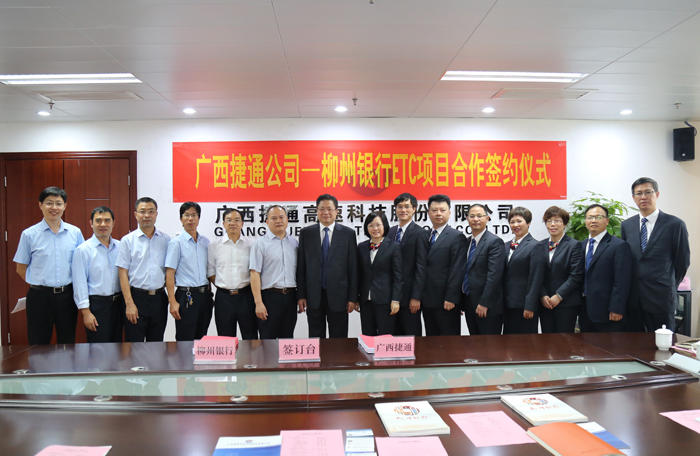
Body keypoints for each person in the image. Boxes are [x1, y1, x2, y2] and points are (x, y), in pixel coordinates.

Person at [14, 186, 84, 345]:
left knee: (67, 342)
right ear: (40, 205)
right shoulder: (29, 234)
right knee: (38, 343)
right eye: (49, 203)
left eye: (58, 203)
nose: (54, 207)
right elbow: (20, 268)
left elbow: (81, 265)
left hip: (67, 296)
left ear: (65, 206)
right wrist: (40, 283)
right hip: (39, 297)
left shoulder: (75, 233)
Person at [621, 177, 690, 332]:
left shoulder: (675, 224)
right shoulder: (627, 225)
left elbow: (682, 261)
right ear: (633, 197)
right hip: (633, 298)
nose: (643, 197)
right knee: (633, 342)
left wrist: (669, 286)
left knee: (663, 342)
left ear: (657, 194)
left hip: (661, 297)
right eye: (639, 193)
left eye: (648, 192)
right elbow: (626, 260)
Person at [297, 194, 358, 338]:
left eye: (329, 209)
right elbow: (301, 267)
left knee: (339, 339)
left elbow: (353, 268)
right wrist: (301, 295)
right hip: (313, 295)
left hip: (340, 295)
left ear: (336, 211)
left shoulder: (348, 234)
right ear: (316, 211)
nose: (326, 212)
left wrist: (352, 297)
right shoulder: (306, 233)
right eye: (322, 209)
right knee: (315, 337)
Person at [116, 197, 171, 342]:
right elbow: (122, 273)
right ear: (136, 214)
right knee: (135, 344)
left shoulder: (166, 240)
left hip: (159, 298)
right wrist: (129, 304)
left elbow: (170, 271)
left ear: (156, 214)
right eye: (142, 211)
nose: (147, 215)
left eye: (151, 211)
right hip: (136, 298)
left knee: (156, 343)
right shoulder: (127, 240)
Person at [72, 206, 123, 343]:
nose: (103, 224)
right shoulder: (83, 250)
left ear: (113, 223)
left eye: (107, 220)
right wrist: (86, 312)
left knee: (118, 346)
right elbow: (79, 283)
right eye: (98, 220)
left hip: (119, 304)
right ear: (91, 223)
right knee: (98, 349)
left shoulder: (120, 247)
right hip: (97, 305)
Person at [579, 204, 632, 333]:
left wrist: (617, 308)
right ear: (585, 221)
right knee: (585, 345)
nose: (594, 221)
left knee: (609, 345)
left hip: (608, 311)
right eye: (590, 217)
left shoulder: (619, 246)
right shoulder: (580, 246)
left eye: (598, 217)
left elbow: (622, 280)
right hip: (583, 310)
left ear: (607, 221)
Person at [165, 202, 212, 341]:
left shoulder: (205, 242)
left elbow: (209, 270)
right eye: (186, 215)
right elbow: (170, 273)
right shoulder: (176, 243)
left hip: (204, 296)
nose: (190, 218)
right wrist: (172, 301)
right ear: (181, 219)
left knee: (202, 337)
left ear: (199, 218)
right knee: (185, 338)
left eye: (194, 215)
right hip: (186, 295)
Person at [250, 205, 298, 339]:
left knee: (287, 339)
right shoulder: (260, 244)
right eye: (274, 218)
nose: (278, 221)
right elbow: (254, 274)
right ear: (267, 221)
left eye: (281, 217)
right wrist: (258, 303)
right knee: (267, 340)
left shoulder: (294, 243)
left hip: (290, 297)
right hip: (269, 298)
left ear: (287, 220)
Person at [207, 208, 256, 339]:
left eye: (236, 220)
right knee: (225, 339)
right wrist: (224, 285)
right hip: (224, 298)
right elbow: (211, 271)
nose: (232, 223)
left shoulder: (252, 245)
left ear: (242, 223)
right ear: (223, 224)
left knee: (250, 337)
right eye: (229, 220)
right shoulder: (214, 246)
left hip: (246, 296)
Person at [422, 194, 467, 336]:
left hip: (446, 301)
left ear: (449, 212)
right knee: (431, 339)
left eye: (442, 210)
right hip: (426, 300)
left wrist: (451, 298)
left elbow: (457, 270)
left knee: (449, 341)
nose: (438, 214)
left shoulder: (457, 236)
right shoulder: (424, 235)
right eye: (434, 210)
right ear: (428, 213)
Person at [386, 193, 428, 337]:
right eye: (400, 207)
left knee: (412, 336)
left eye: (407, 207)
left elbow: (421, 267)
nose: (403, 210)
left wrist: (416, 297)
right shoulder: (390, 232)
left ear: (414, 209)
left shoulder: (421, 233)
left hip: (410, 297)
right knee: (393, 336)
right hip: (391, 296)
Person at [461, 203, 506, 335]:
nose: (476, 219)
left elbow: (494, 276)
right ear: (467, 219)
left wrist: (484, 303)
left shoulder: (494, 242)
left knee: (490, 344)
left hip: (487, 305)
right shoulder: (466, 242)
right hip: (469, 302)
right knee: (474, 342)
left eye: (480, 216)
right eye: (472, 216)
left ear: (487, 218)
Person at [538, 206, 584, 333]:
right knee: (547, 339)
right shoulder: (540, 245)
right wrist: (543, 295)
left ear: (565, 224)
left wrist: (559, 296)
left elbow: (576, 275)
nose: (552, 224)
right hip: (545, 303)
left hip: (566, 303)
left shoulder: (574, 245)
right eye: (549, 221)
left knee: (565, 340)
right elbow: (537, 274)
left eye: (557, 220)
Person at [357, 211, 402, 336]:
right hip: (366, 300)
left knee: (385, 336)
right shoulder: (361, 247)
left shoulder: (394, 247)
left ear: (384, 226)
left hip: (385, 301)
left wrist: (395, 299)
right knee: (367, 336)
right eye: (371, 225)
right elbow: (358, 274)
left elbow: (398, 276)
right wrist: (356, 298)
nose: (375, 228)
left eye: (378, 225)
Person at [502, 207, 545, 335]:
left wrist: (530, 306)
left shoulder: (535, 245)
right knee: (507, 341)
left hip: (524, 306)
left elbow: (536, 278)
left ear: (528, 223)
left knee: (526, 342)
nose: (515, 225)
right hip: (506, 304)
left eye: (519, 221)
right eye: (512, 222)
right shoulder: (505, 245)